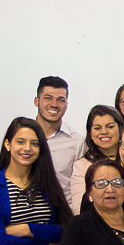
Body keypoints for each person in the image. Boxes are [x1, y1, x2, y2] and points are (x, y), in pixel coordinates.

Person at [34, 76, 85, 205]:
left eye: (60, 100)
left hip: (64, 218)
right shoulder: (21, 138)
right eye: (48, 98)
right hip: (27, 216)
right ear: (36, 101)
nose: (54, 104)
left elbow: (82, 186)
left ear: (66, 105)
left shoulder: (76, 141)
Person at [69, 105, 123, 214]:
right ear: (90, 134)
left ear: (120, 128)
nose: (104, 132)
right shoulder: (82, 166)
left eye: (110, 126)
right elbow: (78, 210)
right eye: (97, 128)